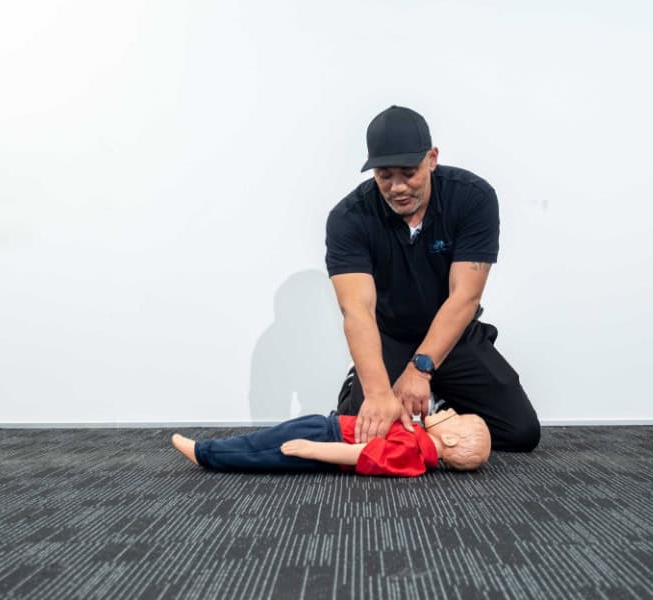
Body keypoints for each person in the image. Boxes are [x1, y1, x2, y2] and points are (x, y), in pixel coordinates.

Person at [326, 105, 540, 451]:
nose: (397, 187)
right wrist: (380, 393)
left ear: (432, 158)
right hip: (390, 338)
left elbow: (464, 297)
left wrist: (420, 371)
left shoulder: (472, 197)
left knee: (521, 433)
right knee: (361, 432)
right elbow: (357, 310)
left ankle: (431, 406)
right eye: (384, 175)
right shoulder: (349, 218)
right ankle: (377, 396)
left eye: (409, 173)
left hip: (454, 334)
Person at [171, 408, 491, 477]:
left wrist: (310, 449)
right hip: (327, 427)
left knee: (261, 449)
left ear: (449, 437)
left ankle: (205, 453)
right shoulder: (417, 439)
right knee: (263, 440)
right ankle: (209, 450)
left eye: (454, 416)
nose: (449, 410)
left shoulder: (412, 453)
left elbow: (359, 453)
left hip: (324, 438)